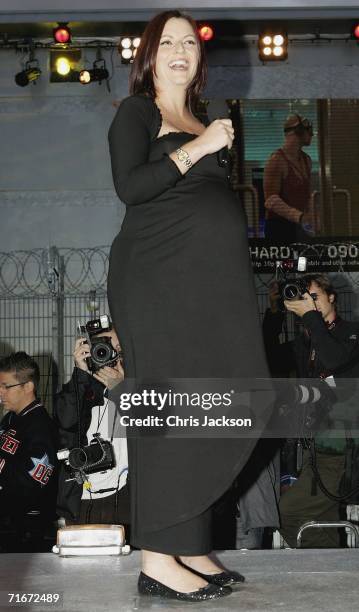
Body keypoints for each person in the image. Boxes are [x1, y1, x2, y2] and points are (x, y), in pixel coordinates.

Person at [107, 10, 272, 601]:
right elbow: (130, 187)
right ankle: (157, 557)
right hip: (156, 281)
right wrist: (200, 145)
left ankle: (189, 541)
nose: (180, 49)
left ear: (199, 58)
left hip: (204, 290)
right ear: (148, 55)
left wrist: (204, 136)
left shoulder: (201, 117)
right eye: (167, 41)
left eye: (189, 42)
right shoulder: (138, 112)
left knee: (220, 399)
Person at [263, 274, 359, 547]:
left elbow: (336, 361)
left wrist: (310, 318)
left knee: (286, 512)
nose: (310, 304)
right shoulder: (305, 341)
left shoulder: (352, 334)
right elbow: (265, 356)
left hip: (344, 451)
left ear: (332, 298)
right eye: (304, 299)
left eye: (315, 297)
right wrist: (273, 313)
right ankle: (328, 575)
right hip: (316, 448)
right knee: (319, 523)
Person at [54, 324, 129, 529]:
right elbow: (66, 421)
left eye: (118, 350)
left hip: (124, 501)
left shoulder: (137, 392)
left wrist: (122, 389)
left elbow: (149, 429)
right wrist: (80, 373)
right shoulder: (82, 389)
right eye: (102, 347)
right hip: (81, 500)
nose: (110, 355)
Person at [0, 352, 58, 547]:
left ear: (28, 387)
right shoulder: (10, 419)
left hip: (28, 530)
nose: (1, 392)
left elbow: (34, 479)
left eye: (6, 386)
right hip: (10, 524)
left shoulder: (40, 425)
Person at [264, 114, 317, 242]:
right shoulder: (277, 160)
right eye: (308, 130)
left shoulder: (306, 160)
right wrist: (299, 216)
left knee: (303, 261)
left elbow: (306, 194)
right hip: (279, 227)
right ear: (298, 131)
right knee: (284, 262)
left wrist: (311, 215)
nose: (312, 134)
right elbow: (270, 200)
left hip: (299, 225)